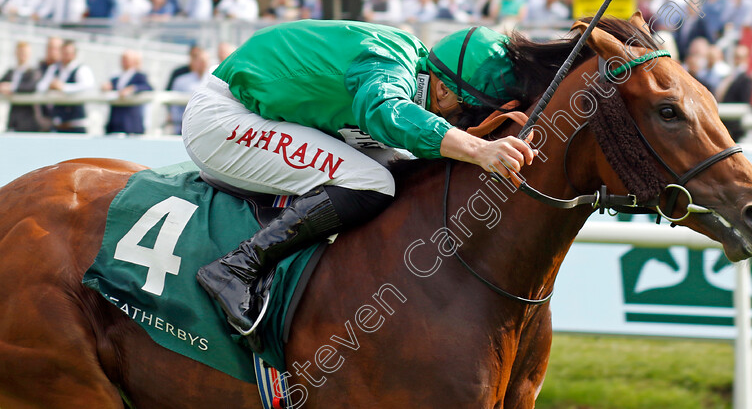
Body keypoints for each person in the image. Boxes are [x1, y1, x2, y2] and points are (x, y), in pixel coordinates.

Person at [187, 20, 535, 337]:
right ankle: (237, 268)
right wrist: (477, 150)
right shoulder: (385, 64)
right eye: (469, 112)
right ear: (443, 91)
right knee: (372, 182)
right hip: (224, 118)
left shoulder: (413, 69)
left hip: (264, 111)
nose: (468, 124)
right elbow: (385, 111)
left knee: (397, 170)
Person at [37, 40, 96, 133]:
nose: (66, 55)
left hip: (76, 124)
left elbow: (88, 86)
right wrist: (50, 85)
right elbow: (40, 87)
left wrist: (64, 88)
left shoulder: (81, 69)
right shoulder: (54, 68)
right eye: (64, 52)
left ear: (75, 54)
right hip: (57, 124)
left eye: (68, 53)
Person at [103, 50, 153, 134]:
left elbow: (148, 87)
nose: (123, 61)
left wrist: (132, 89)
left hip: (131, 123)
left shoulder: (139, 76)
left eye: (126, 59)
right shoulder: (116, 78)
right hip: (115, 122)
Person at [0, 41, 45, 132]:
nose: (22, 55)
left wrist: (12, 88)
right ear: (16, 53)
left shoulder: (33, 71)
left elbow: (31, 86)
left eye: (25, 53)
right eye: (20, 52)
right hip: (13, 118)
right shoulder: (11, 72)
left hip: (29, 119)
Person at [715, 44, 752, 141]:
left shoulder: (746, 79)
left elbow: (744, 101)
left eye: (740, 57)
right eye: (736, 57)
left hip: (734, 126)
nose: (737, 60)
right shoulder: (730, 76)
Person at [170, 49, 209, 134]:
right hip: (184, 125)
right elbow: (174, 106)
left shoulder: (213, 79)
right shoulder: (181, 81)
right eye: (201, 61)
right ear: (194, 62)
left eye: (206, 61)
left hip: (206, 125)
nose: (203, 63)